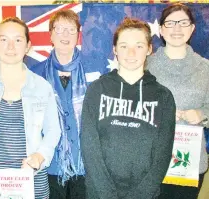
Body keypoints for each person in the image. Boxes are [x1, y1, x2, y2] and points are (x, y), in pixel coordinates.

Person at [0, 17, 61, 199]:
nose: (10, 47)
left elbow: (53, 130)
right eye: (3, 39)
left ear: (27, 46)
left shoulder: (42, 87)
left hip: (32, 179)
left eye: (17, 40)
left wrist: (40, 157)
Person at [81, 18, 176, 199]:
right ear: (115, 50)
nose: (131, 53)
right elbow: (89, 147)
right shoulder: (97, 90)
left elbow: (163, 155)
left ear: (149, 49)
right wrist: (107, 195)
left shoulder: (163, 97)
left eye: (139, 46)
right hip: (99, 194)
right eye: (124, 46)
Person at [147, 3, 209, 199]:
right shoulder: (146, 65)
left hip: (189, 162)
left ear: (192, 28)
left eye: (183, 23)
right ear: (161, 30)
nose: (177, 29)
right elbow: (134, 106)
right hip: (152, 159)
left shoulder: (205, 68)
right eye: (171, 23)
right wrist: (159, 113)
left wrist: (202, 114)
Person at [29, 10, 87, 199]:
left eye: (71, 29)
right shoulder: (34, 74)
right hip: (49, 162)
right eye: (59, 29)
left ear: (78, 35)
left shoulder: (94, 70)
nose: (65, 35)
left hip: (85, 163)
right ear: (51, 34)